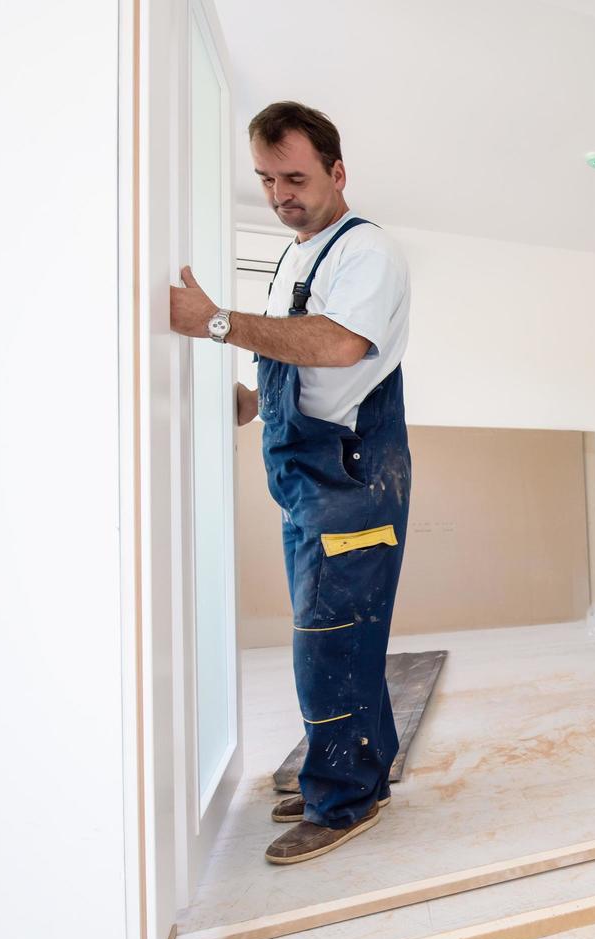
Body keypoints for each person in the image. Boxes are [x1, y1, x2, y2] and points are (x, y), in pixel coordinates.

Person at [170, 101, 412, 865]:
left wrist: (214, 322)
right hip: (307, 474)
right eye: (267, 179)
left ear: (338, 174)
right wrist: (248, 401)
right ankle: (360, 770)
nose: (281, 194)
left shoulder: (366, 251)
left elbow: (339, 344)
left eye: (296, 177)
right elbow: (286, 357)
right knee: (347, 634)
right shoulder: (295, 256)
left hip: (351, 474)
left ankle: (339, 802)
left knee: (326, 642)